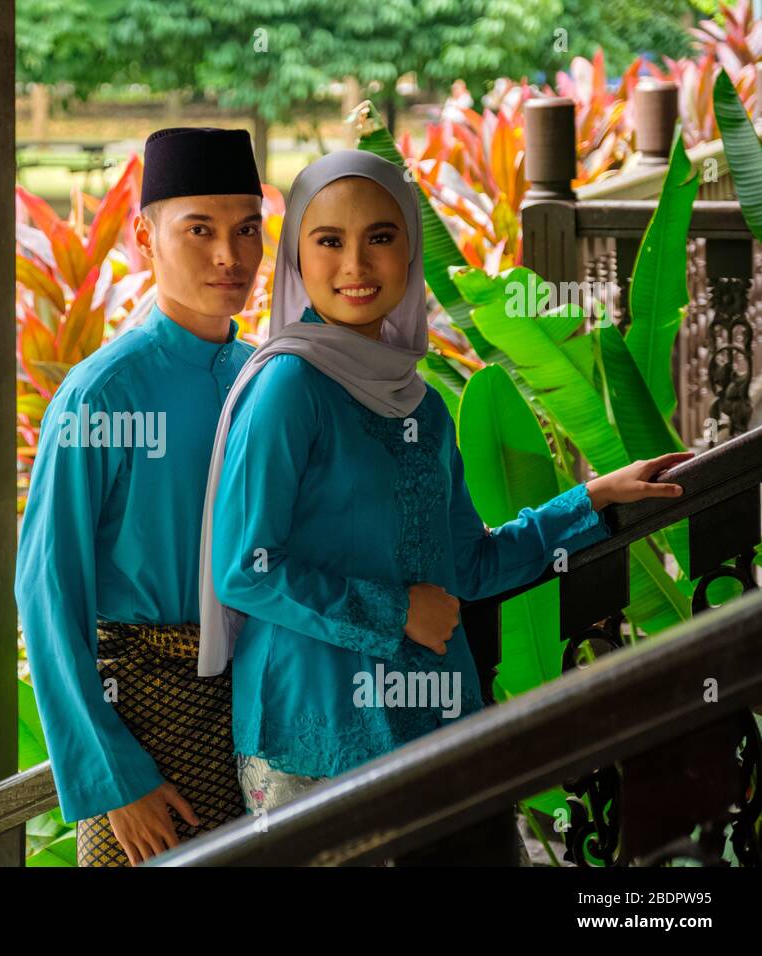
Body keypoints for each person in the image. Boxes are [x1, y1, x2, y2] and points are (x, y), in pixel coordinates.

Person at [196, 149, 693, 864]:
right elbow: (244, 568)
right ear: (297, 260)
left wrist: (591, 500)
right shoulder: (288, 388)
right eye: (329, 241)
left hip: (432, 721)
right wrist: (398, 611)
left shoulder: (420, 405)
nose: (356, 266)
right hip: (317, 736)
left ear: (409, 253)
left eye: (381, 237)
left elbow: (470, 562)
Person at [16, 127, 268, 866]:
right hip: (143, 727)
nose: (230, 256)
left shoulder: (267, 378)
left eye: (247, 229)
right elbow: (46, 589)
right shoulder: (102, 393)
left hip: (258, 711)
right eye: (200, 230)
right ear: (143, 237)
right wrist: (112, 779)